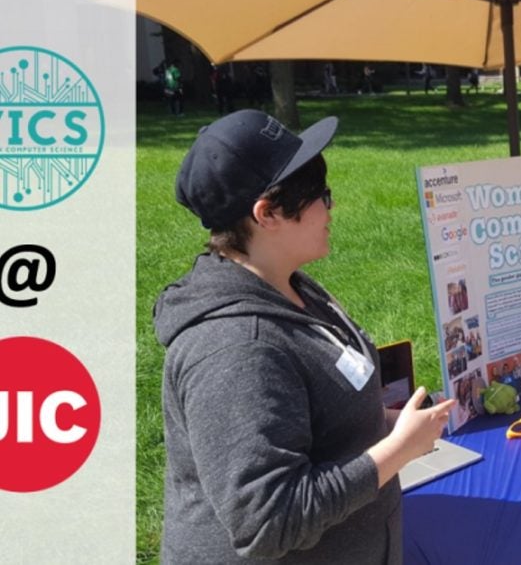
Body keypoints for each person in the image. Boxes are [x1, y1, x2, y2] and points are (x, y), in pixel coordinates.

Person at [154, 109, 455, 563]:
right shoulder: (235, 349)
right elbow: (269, 521)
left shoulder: (287, 284)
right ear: (268, 212)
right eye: (321, 196)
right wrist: (397, 449)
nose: (331, 208)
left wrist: (376, 421)